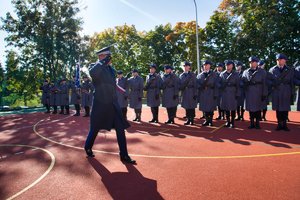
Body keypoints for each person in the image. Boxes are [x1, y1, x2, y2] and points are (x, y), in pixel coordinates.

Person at [84, 46, 136, 164]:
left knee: (120, 128)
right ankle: (87, 146)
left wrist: (124, 92)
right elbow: (93, 73)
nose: (110, 58)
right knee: (95, 128)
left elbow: (113, 85)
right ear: (102, 56)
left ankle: (124, 155)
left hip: (113, 103)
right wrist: (102, 62)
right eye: (108, 56)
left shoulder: (112, 70)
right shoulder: (94, 66)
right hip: (100, 104)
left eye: (109, 56)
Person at [269, 53, 295, 131]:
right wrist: (273, 85)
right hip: (276, 91)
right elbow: (269, 80)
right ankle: (279, 124)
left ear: (285, 61)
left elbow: (292, 81)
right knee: (278, 109)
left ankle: (285, 124)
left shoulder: (289, 69)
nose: (279, 61)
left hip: (286, 90)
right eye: (278, 60)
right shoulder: (272, 69)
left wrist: (292, 92)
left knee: (285, 108)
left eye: (281, 60)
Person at [242, 56, 268, 129]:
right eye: (250, 62)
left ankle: (257, 123)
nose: (251, 63)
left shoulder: (262, 72)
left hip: (258, 92)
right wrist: (244, 84)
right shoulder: (246, 71)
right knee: (251, 109)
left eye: (253, 62)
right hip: (249, 92)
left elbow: (265, 84)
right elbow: (242, 81)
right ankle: (252, 123)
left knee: (258, 109)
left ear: (256, 63)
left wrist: (264, 93)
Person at [197, 60, 219, 126]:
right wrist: (201, 87)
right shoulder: (200, 75)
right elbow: (197, 84)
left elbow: (216, 85)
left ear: (210, 65)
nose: (205, 66)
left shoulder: (214, 75)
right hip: (203, 93)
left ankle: (210, 121)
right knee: (205, 107)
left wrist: (215, 94)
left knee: (211, 107)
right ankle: (206, 120)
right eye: (204, 65)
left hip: (211, 92)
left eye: (207, 65)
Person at [219, 60, 240, 128]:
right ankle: (228, 121)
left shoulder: (235, 74)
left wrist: (237, 93)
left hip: (233, 92)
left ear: (232, 66)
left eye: (228, 65)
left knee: (233, 108)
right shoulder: (222, 74)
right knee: (226, 108)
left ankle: (232, 122)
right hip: (225, 92)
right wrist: (221, 86)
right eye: (226, 65)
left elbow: (238, 85)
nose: (227, 66)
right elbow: (219, 83)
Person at [179, 61, 197, 125]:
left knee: (192, 107)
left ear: (189, 67)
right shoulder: (181, 75)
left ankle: (192, 120)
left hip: (191, 91)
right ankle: (188, 119)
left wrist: (195, 93)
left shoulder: (192, 75)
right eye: (184, 66)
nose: (185, 67)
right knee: (186, 106)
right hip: (185, 92)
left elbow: (195, 85)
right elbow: (180, 85)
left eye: (186, 66)